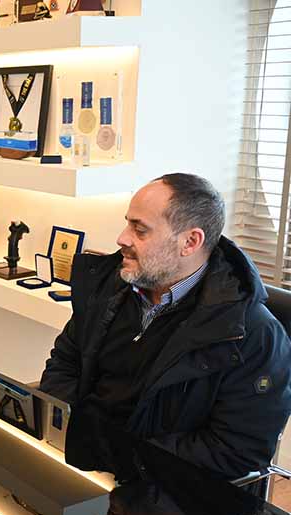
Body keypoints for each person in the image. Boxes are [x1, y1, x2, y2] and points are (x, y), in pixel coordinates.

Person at [39, 173, 291, 480]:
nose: (122, 238)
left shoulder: (255, 335)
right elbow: (64, 362)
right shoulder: (109, 288)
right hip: (81, 463)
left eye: (140, 230)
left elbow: (235, 449)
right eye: (127, 223)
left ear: (190, 242)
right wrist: (72, 432)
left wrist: (121, 456)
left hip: (160, 487)